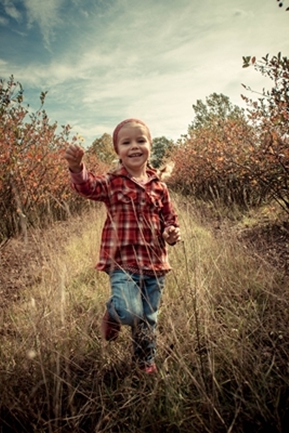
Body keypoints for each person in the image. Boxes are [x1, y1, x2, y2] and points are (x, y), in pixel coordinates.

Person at [64, 118, 181, 374]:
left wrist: (171, 232)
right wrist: (76, 167)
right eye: (126, 142)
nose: (134, 146)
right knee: (129, 312)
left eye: (141, 140)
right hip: (123, 263)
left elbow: (169, 220)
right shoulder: (113, 181)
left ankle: (144, 362)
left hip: (155, 264)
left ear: (150, 145)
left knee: (148, 318)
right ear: (118, 151)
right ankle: (113, 313)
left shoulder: (159, 187)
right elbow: (88, 187)